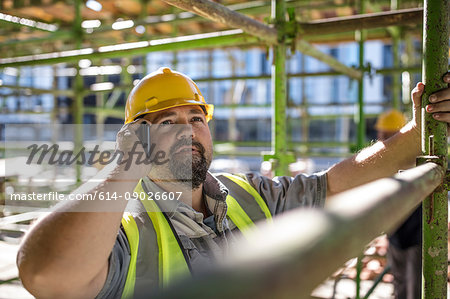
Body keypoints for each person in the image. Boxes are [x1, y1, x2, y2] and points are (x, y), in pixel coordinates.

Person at [16, 67, 450, 298]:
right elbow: (47, 276)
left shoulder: (246, 193)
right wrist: (125, 167)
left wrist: (415, 135)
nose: (188, 130)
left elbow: (333, 185)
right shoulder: (122, 227)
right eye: (168, 121)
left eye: (195, 118)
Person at [375, 109, 422, 299]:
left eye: (385, 135)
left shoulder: (414, 157)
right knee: (399, 281)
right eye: (380, 134)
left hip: (417, 234)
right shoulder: (384, 160)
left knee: (416, 285)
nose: (380, 139)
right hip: (395, 232)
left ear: (397, 135)